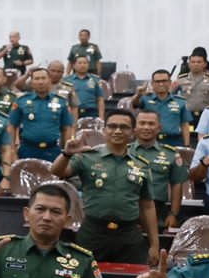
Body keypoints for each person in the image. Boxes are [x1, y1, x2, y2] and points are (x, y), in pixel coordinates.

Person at [53, 109, 160, 264]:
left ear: (132, 132)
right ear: (104, 131)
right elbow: (58, 171)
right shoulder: (88, 156)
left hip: (128, 234)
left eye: (123, 127)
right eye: (112, 126)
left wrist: (154, 245)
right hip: (93, 231)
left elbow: (148, 206)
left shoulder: (141, 164)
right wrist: (66, 154)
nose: (117, 131)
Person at [133, 108, 188, 232]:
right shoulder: (124, 151)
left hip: (158, 210)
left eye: (151, 124)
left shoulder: (171, 154)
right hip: (128, 208)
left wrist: (173, 214)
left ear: (159, 128)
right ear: (134, 127)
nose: (146, 127)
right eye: (142, 123)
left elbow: (176, 185)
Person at [10, 66, 76, 162]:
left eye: (43, 78)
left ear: (49, 80)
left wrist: (66, 153)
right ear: (31, 82)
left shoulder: (61, 101)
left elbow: (66, 128)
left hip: (52, 150)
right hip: (28, 150)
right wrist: (12, 150)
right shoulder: (22, 101)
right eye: (37, 79)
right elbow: (11, 126)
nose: (40, 82)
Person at [136, 69, 191, 148]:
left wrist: (187, 145)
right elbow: (134, 104)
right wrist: (138, 95)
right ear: (152, 83)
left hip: (173, 141)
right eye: (157, 81)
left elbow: (185, 124)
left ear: (170, 82)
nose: (161, 84)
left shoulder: (180, 101)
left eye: (164, 81)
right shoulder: (145, 99)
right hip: (150, 140)